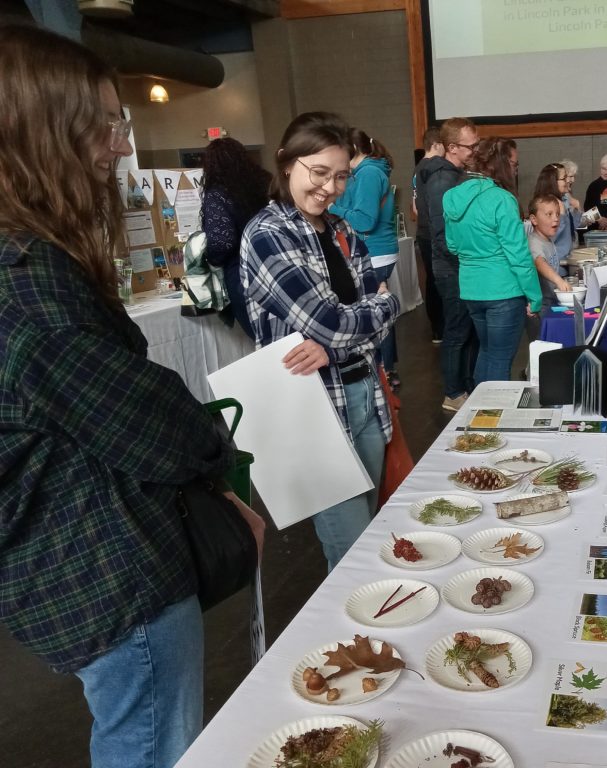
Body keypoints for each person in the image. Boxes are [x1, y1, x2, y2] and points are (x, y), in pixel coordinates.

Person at [0, 24, 264, 768]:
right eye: (106, 126)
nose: (121, 147)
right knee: (154, 747)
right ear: (42, 133)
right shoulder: (27, 287)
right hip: (105, 575)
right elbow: (155, 428)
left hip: (77, 568)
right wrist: (220, 458)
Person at [240, 112, 399, 571]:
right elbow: (330, 320)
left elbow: (365, 319)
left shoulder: (344, 231)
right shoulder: (267, 234)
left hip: (364, 393)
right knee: (351, 555)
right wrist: (378, 309)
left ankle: (362, 639)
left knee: (367, 538)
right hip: (310, 409)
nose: (330, 187)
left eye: (341, 176)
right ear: (287, 163)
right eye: (319, 172)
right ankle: (352, 642)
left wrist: (334, 344)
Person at [443, 138, 542, 383]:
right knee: (499, 360)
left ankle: (480, 416)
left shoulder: (451, 197)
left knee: (487, 353)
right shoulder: (502, 199)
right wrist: (535, 295)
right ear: (502, 164)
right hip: (503, 292)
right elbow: (519, 257)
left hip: (471, 289)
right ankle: (494, 418)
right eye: (514, 164)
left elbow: (452, 245)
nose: (515, 170)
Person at [329, 128, 401, 388]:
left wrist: (331, 206)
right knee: (378, 312)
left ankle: (386, 373)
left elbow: (364, 220)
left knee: (376, 315)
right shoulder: (365, 171)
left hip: (376, 252)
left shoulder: (369, 173)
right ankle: (386, 371)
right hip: (375, 251)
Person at [422, 117, 480, 411]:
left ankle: (467, 386)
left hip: (461, 267)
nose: (475, 150)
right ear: (452, 147)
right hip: (452, 269)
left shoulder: (455, 175)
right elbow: (441, 235)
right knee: (456, 332)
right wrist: (469, 258)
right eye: (471, 146)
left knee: (466, 330)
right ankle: (453, 392)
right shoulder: (442, 180)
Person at [200, 137, 271, 338]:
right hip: (275, 261)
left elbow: (222, 241)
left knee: (264, 340)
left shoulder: (218, 194)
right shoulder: (265, 182)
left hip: (242, 272)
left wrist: (209, 258)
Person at [410, 127, 445, 343]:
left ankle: (436, 329)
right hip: (432, 233)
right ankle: (441, 328)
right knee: (437, 281)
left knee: (432, 281)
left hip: (423, 232)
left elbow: (414, 207)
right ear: (437, 144)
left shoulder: (417, 169)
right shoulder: (433, 168)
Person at [525, 193, 571, 341]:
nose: (556, 218)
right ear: (534, 220)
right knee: (541, 346)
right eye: (549, 214)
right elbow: (539, 262)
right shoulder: (534, 242)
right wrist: (559, 281)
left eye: (557, 214)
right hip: (539, 307)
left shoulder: (548, 240)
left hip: (550, 301)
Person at [533, 163, 581, 266]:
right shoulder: (546, 204)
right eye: (564, 178)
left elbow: (574, 227)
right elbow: (551, 236)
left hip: (566, 260)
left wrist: (576, 208)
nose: (568, 181)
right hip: (556, 264)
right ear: (553, 182)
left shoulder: (563, 200)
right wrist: (561, 216)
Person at [583, 153, 607, 231]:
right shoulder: (593, 186)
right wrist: (600, 219)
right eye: (603, 168)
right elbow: (587, 208)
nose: (605, 172)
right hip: (594, 230)